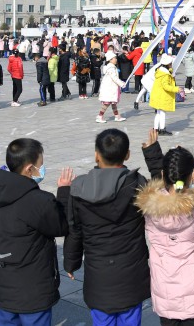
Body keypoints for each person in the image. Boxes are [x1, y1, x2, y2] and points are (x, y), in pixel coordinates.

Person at [63, 128, 163, 326]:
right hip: (132, 275)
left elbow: (75, 230)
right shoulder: (137, 184)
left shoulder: (79, 188)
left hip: (99, 276)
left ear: (96, 154)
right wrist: (153, 156)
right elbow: (162, 192)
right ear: (127, 155)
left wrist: (71, 262)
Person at [0, 138, 71, 326]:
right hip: (33, 288)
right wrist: (64, 194)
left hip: (5, 284)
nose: (42, 169)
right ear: (28, 169)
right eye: (40, 165)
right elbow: (61, 225)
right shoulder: (38, 200)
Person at [135, 146, 194, 326]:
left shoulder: (150, 205)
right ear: (192, 175)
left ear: (163, 176)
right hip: (193, 286)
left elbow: (165, 191)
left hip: (164, 288)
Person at [149, 54, 177, 136]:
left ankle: (156, 129)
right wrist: (176, 89)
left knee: (158, 113)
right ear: (168, 64)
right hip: (162, 96)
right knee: (162, 113)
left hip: (157, 95)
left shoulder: (160, 71)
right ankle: (162, 129)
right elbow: (166, 86)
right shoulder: (165, 75)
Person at [96, 50, 127, 124]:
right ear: (110, 60)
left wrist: (121, 83)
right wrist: (121, 84)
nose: (116, 59)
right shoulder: (111, 68)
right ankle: (100, 116)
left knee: (113, 103)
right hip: (109, 88)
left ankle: (117, 116)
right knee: (107, 103)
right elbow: (114, 78)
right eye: (114, 58)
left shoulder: (112, 67)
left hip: (111, 88)